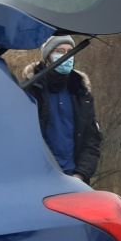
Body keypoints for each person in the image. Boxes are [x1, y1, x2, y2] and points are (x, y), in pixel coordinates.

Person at [23, 35, 102, 184]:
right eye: (59, 51)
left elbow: (92, 140)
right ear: (47, 57)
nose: (66, 56)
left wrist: (81, 174)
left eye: (70, 51)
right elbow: (23, 138)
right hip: (39, 178)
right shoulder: (30, 90)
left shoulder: (81, 92)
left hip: (74, 181)